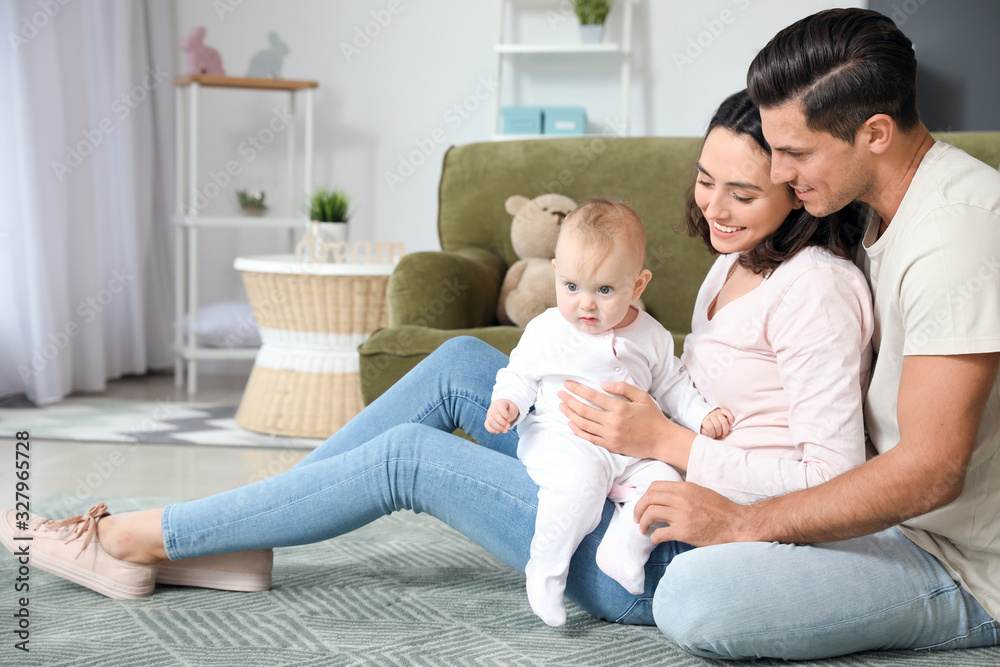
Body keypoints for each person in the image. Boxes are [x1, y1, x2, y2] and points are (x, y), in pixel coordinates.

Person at [0, 89, 873, 637]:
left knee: (408, 460)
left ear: (800, 185)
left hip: (653, 547)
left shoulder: (820, 291)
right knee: (462, 361)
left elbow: (836, 480)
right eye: (705, 180)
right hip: (625, 466)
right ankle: (242, 534)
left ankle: (130, 539)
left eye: (743, 191)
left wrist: (672, 444)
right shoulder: (738, 260)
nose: (712, 207)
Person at [563, 9, 1000, 660]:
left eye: (794, 154)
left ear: (875, 133)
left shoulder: (956, 231)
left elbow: (933, 471)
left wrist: (744, 521)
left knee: (695, 597)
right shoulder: (872, 213)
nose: (781, 172)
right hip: (878, 522)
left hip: (960, 565)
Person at [485, 198, 733, 626]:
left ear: (637, 285)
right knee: (579, 487)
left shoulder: (651, 336)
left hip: (630, 452)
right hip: (563, 437)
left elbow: (673, 384)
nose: (586, 304)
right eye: (571, 287)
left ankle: (623, 546)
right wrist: (506, 402)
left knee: (666, 485)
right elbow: (519, 374)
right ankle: (546, 568)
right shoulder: (547, 330)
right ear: (556, 272)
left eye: (604, 290)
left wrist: (701, 415)